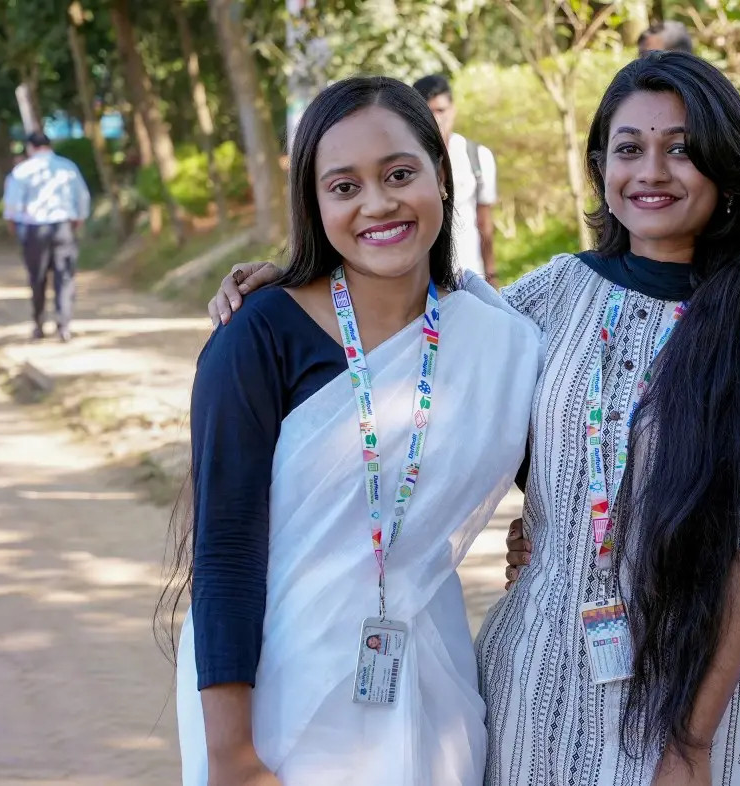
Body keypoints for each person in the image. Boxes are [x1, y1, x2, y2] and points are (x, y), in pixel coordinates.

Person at [210, 52, 740, 786]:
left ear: (726, 165)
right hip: (528, 690)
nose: (652, 171)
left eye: (681, 149)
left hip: (683, 707)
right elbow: (421, 325)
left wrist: (691, 745)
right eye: (628, 149)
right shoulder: (550, 296)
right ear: (601, 167)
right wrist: (291, 279)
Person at [169, 76, 540, 786]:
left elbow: (577, 478)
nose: (378, 204)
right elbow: (226, 554)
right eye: (344, 187)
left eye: (399, 174)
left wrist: (543, 548)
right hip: (278, 698)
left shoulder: (500, 341)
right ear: (315, 204)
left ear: (440, 172)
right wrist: (233, 757)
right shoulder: (257, 336)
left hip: (431, 687)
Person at [2, 131, 91, 342]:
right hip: (63, 225)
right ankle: (64, 324)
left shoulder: (22, 171)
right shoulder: (67, 167)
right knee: (65, 276)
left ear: (30, 147)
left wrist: (13, 227)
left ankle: (39, 323)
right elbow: (82, 197)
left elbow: (12, 206)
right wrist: (78, 220)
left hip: (35, 228)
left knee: (37, 277)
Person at [413, 74, 499, 285]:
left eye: (441, 110)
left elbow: (484, 222)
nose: (436, 119)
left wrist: (491, 275)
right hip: (422, 282)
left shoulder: (477, 155)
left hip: (470, 276)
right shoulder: (403, 163)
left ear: (453, 110)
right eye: (428, 112)